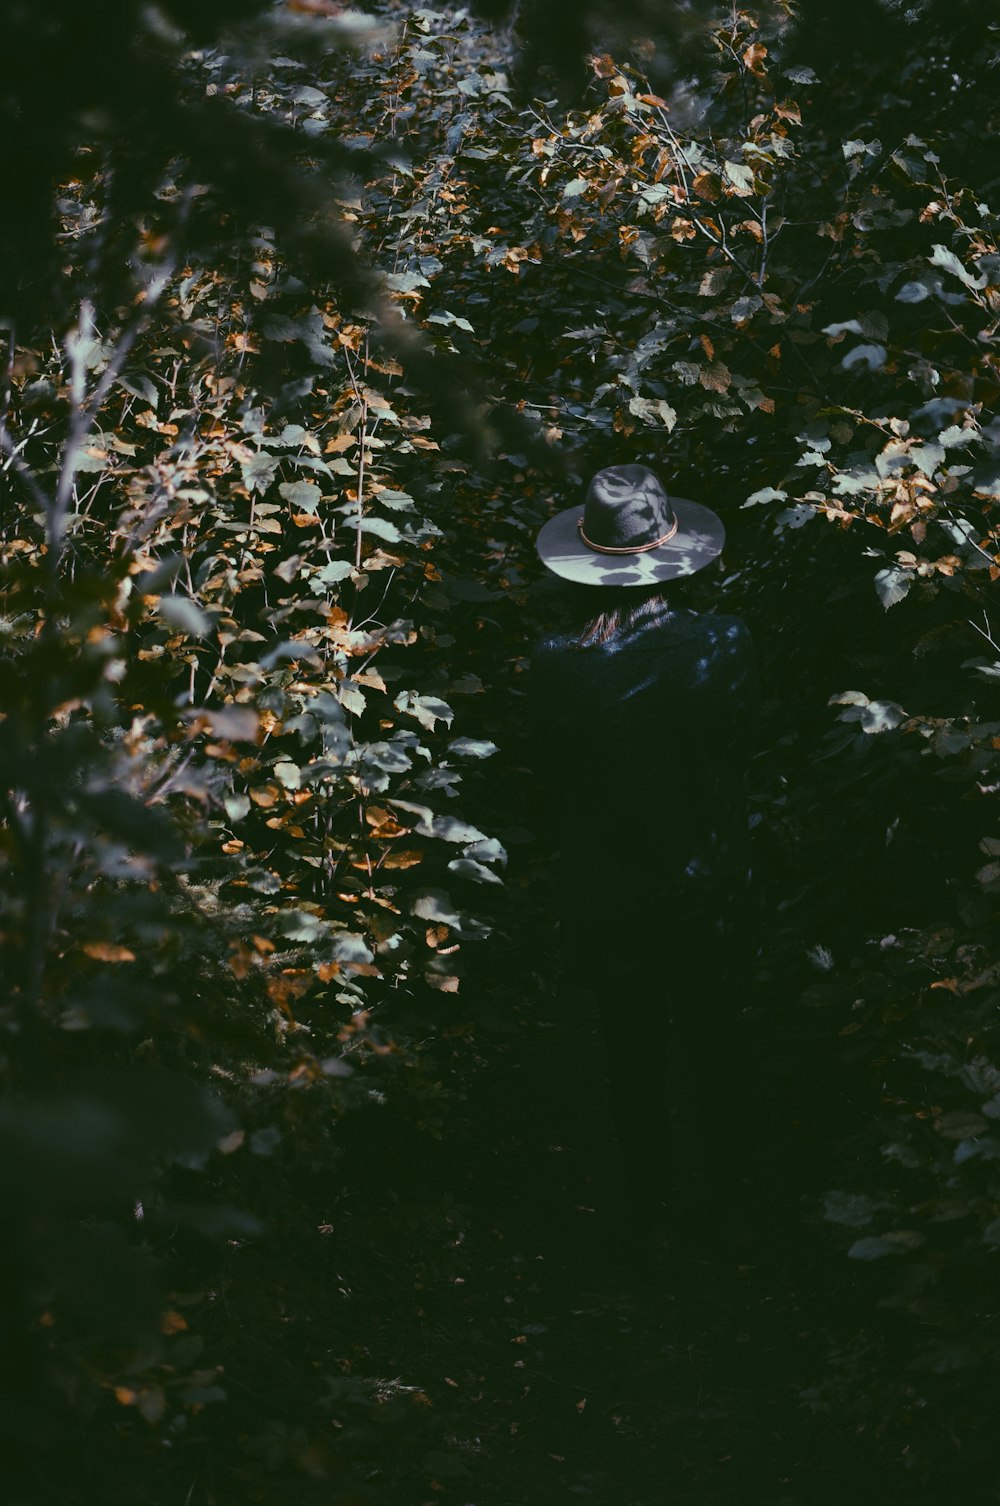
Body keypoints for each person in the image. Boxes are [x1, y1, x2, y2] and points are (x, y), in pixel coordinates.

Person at [530, 463, 761, 1249]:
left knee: (633, 1061)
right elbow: (739, 749)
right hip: (708, 878)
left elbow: (553, 776)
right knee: (717, 1046)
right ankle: (734, 1205)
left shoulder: (557, 662)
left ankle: (650, 1221)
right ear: (671, 550)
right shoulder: (725, 643)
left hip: (610, 889)